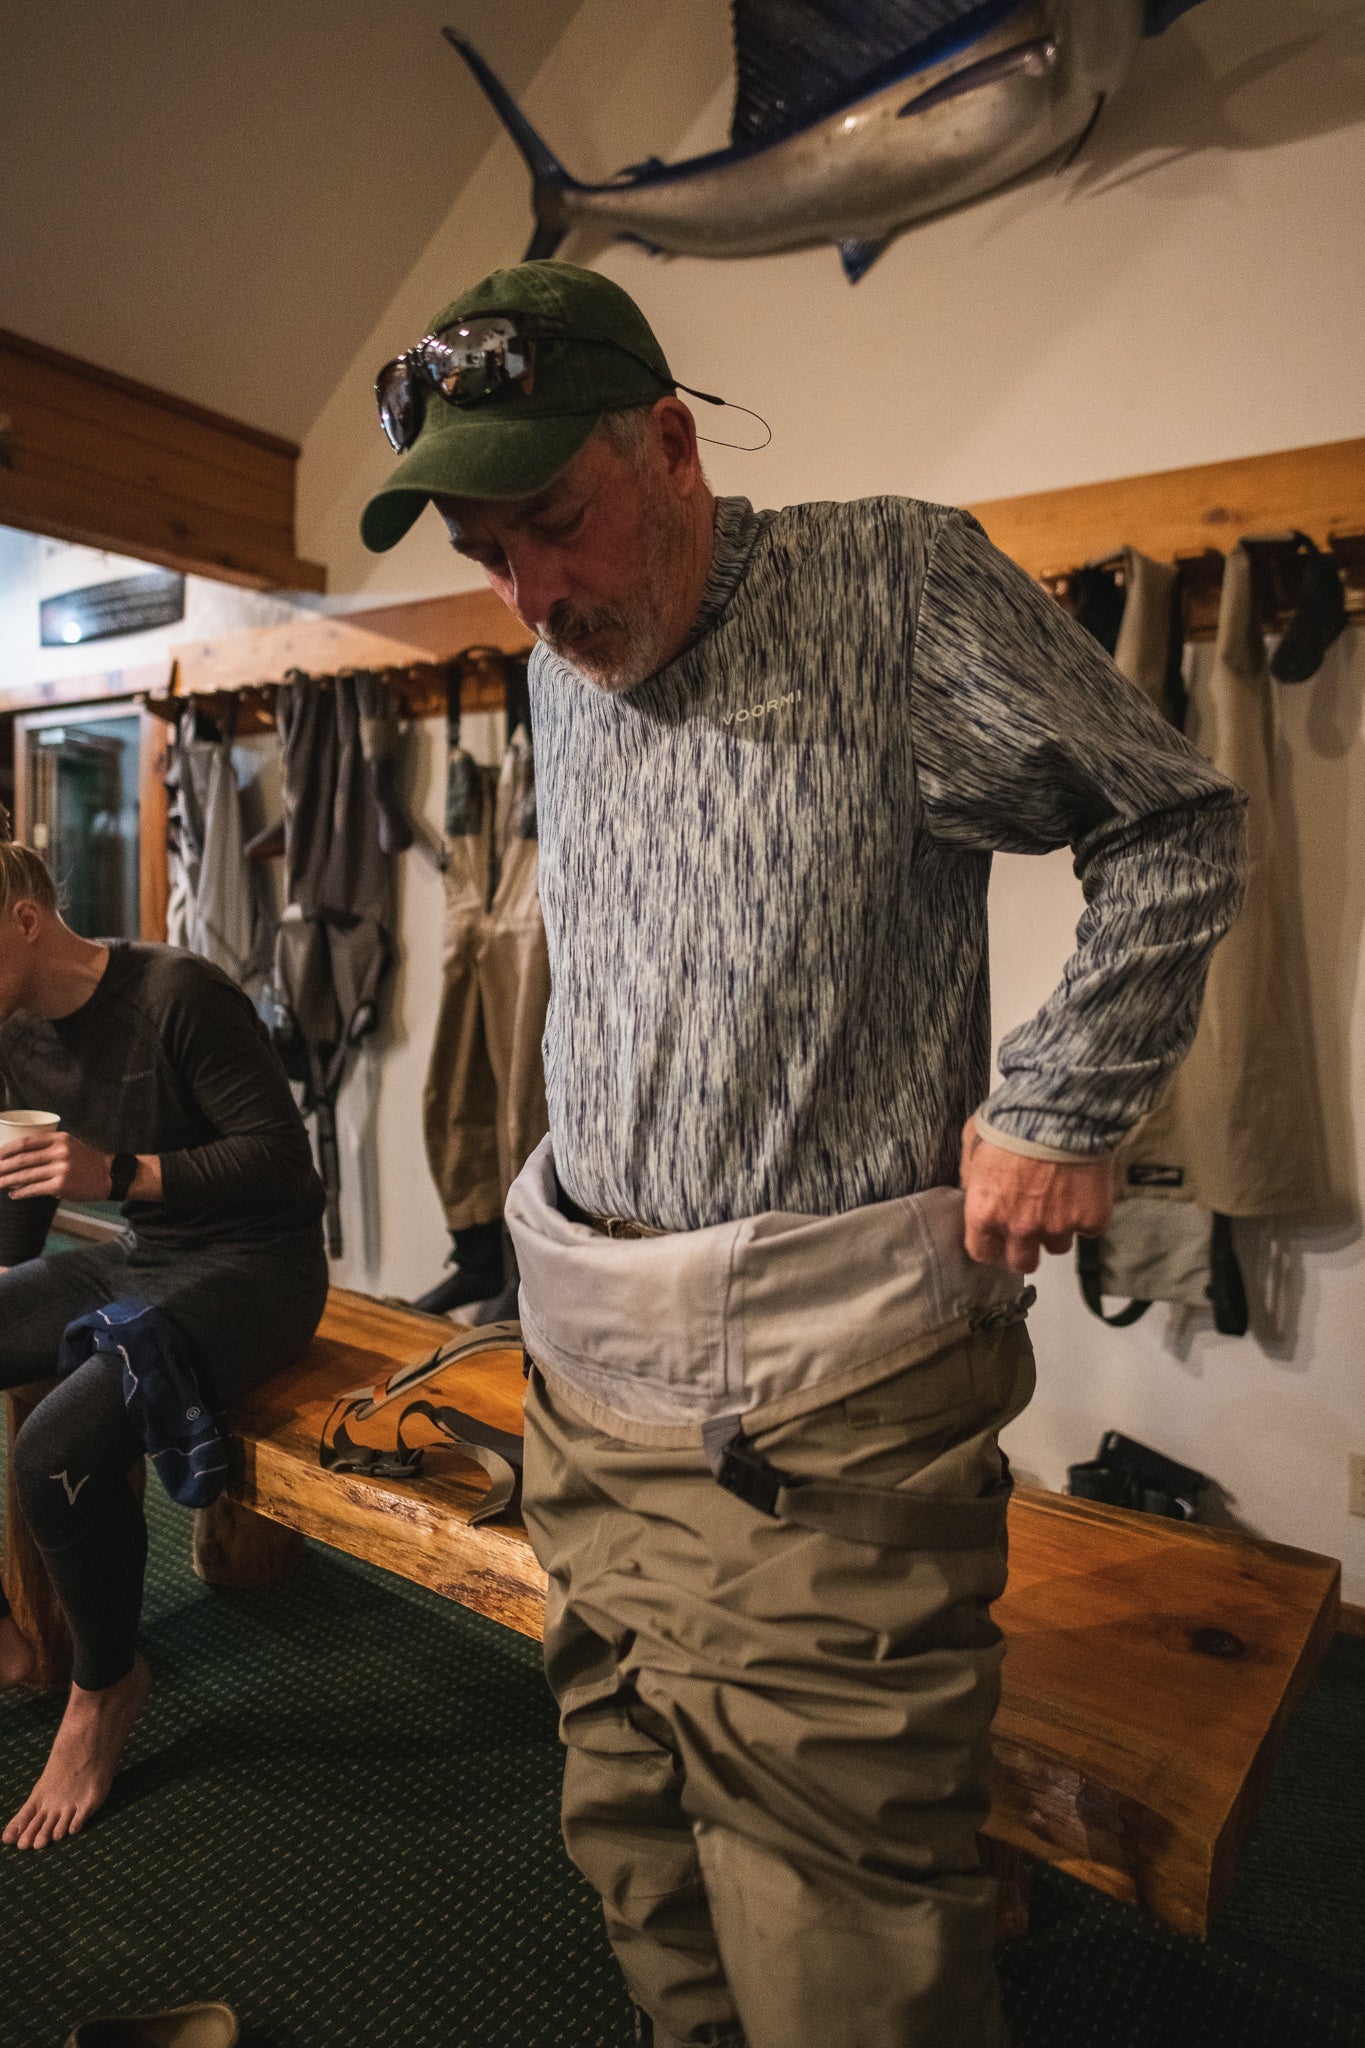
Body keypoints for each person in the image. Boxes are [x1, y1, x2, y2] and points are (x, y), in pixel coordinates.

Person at [361, 261, 1247, 2048]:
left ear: (672, 445)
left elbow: (1174, 821)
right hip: (585, 1385)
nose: (531, 593)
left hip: (816, 1408)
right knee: (633, 1841)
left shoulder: (892, 585)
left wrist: (1065, 1095)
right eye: (487, 551)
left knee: (835, 1931)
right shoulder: (564, 663)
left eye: (555, 521)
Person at [0, 830, 328, 1852]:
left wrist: (127, 1173)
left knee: (52, 1448)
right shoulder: (12, 1028)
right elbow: (29, 1192)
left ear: (21, 919)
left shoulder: (178, 993)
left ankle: (108, 1683)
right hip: (144, 1253)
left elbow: (286, 1167)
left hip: (259, 1268)